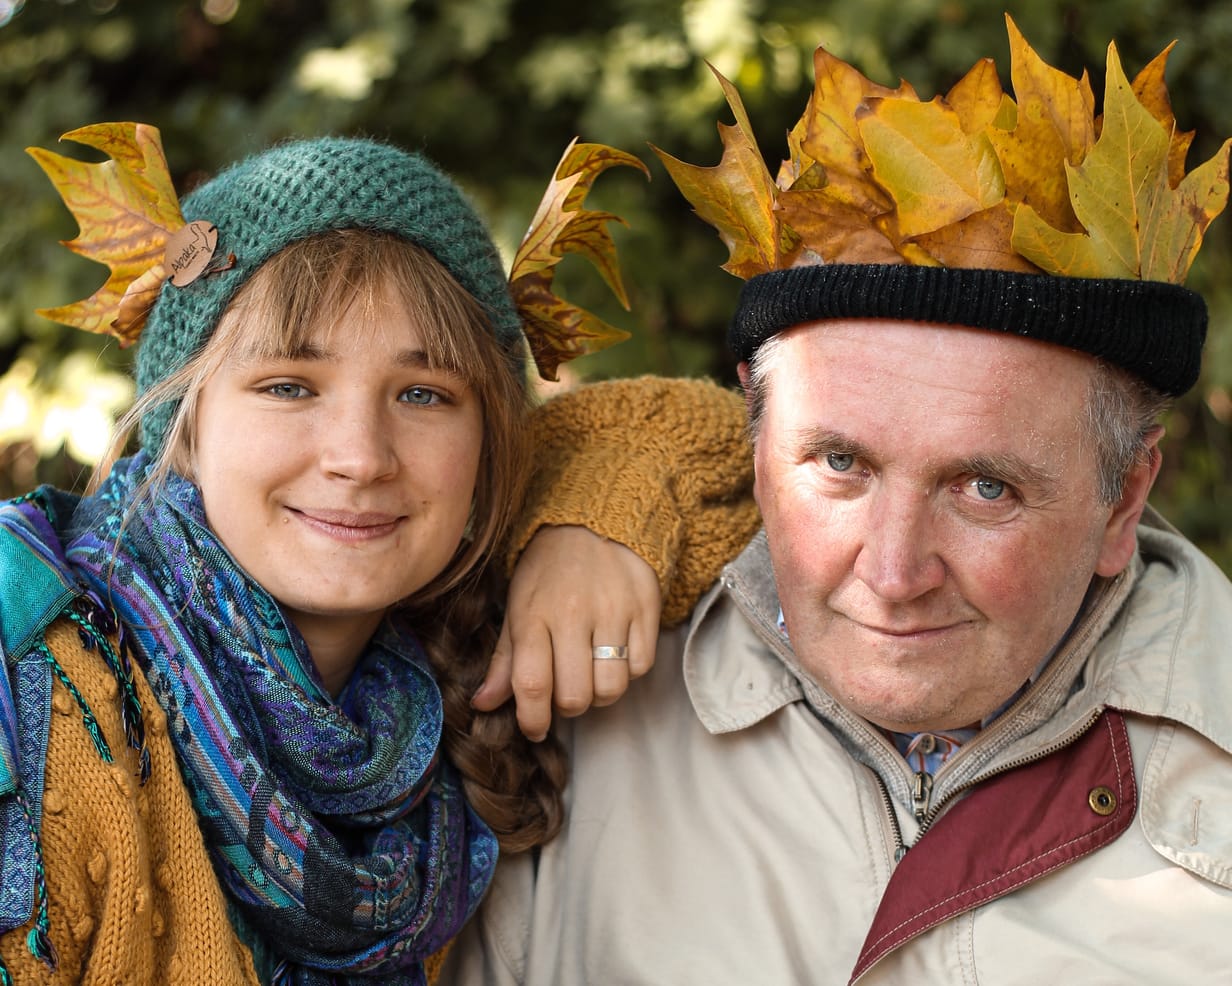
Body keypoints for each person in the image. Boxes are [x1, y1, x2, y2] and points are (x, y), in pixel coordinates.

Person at [441, 25, 1232, 985]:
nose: (893, 573)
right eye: (842, 463)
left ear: (1123, 501)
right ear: (757, 442)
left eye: (987, 488)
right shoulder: (559, 723)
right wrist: (600, 496)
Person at [0, 128, 746, 984]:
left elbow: (774, 448)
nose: (360, 456)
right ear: (188, 428)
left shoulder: (451, 686)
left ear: (488, 450)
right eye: (288, 386)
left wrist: (598, 523)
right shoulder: (40, 690)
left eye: (424, 394)